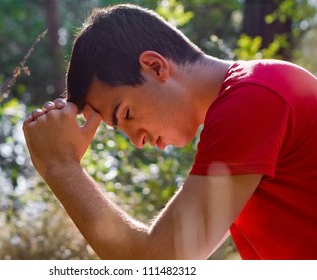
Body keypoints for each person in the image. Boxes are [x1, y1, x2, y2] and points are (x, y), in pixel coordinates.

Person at [22, 4, 317, 259]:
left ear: (154, 66)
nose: (137, 141)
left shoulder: (253, 97)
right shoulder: (251, 95)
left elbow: (160, 262)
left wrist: (61, 167)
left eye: (126, 113)